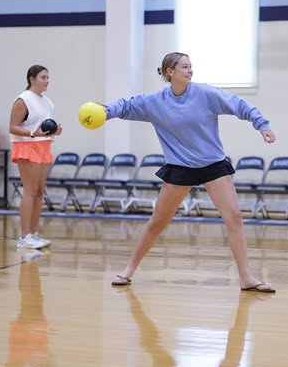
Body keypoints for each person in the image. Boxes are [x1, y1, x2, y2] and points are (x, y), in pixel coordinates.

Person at [105, 52, 276, 293]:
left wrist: (262, 125)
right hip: (180, 167)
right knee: (157, 222)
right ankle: (128, 270)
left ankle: (246, 278)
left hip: (212, 165)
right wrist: (104, 110)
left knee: (234, 218)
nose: (190, 70)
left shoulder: (205, 94)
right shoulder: (155, 102)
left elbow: (239, 104)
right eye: (184, 67)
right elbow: (126, 106)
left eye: (190, 66)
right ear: (170, 72)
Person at [9, 64, 62, 250]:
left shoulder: (47, 102)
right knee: (30, 191)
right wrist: (34, 134)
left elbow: (42, 127)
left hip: (43, 146)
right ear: (32, 79)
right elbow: (13, 127)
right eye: (43, 77)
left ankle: (33, 233)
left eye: (48, 78)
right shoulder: (23, 100)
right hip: (26, 146)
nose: (47, 81)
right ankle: (24, 237)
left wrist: (54, 131)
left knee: (39, 191)